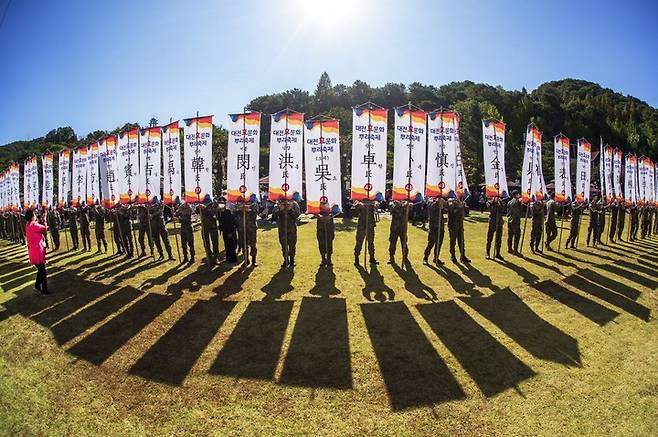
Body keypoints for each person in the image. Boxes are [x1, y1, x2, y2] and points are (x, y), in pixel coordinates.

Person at [25, 209, 49, 294]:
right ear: (32, 216)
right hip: (37, 251)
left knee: (40, 270)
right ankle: (44, 289)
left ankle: (37, 285)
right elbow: (44, 228)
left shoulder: (28, 225)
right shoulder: (34, 225)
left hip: (32, 251)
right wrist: (45, 220)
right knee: (42, 271)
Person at [272, 199, 301, 268]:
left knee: (292, 245)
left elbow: (297, 215)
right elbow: (274, 216)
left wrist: (290, 209)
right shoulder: (278, 203)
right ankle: (285, 260)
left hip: (292, 229)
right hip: (282, 229)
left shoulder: (294, 203)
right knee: (284, 246)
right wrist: (280, 209)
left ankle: (292, 260)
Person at [148, 197, 175, 261]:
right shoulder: (149, 203)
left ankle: (170, 255)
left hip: (161, 224)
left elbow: (160, 211)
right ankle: (161, 255)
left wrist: (152, 215)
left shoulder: (160, 203)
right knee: (157, 240)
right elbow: (148, 210)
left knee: (166, 240)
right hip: (153, 224)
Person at [353, 199, 378, 265]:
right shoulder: (360, 199)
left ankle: (372, 258)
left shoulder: (372, 200)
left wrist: (374, 204)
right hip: (362, 225)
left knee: (371, 242)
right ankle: (356, 258)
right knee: (359, 242)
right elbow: (355, 206)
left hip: (370, 225)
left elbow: (377, 205)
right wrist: (360, 204)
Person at [423, 196, 446, 265]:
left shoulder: (441, 207)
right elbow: (431, 208)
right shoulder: (433, 205)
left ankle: (436, 258)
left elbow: (445, 210)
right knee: (430, 244)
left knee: (438, 245)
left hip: (440, 228)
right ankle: (425, 258)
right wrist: (438, 204)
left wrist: (442, 206)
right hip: (433, 229)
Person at [197, 195, 219, 264]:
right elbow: (196, 211)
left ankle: (215, 257)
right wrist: (199, 207)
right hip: (204, 227)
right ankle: (209, 257)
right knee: (206, 243)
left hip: (213, 227)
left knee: (215, 243)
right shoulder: (201, 205)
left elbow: (214, 213)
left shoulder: (214, 205)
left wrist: (205, 208)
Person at [236, 200, 258, 266]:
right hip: (242, 230)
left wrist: (248, 209)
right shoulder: (239, 212)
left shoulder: (252, 209)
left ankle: (254, 261)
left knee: (253, 245)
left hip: (251, 230)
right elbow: (236, 217)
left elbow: (255, 214)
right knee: (244, 246)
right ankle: (246, 260)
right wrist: (241, 210)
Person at [447, 197, 470, 263]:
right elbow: (452, 212)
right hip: (453, 226)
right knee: (453, 241)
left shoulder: (461, 202)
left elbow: (465, 214)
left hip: (460, 225)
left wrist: (463, 207)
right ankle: (453, 256)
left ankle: (462, 255)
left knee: (461, 241)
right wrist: (458, 207)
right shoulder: (451, 202)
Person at [388, 199, 410, 264]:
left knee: (404, 244)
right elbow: (391, 210)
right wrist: (399, 205)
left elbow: (409, 208)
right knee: (392, 243)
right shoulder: (393, 204)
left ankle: (405, 257)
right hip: (394, 228)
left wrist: (405, 205)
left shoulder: (405, 204)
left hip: (403, 228)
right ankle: (391, 257)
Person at [316, 199, 335, 267]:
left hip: (329, 231)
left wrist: (328, 217)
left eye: (325, 204)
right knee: (322, 245)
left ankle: (329, 259)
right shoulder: (318, 211)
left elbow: (334, 213)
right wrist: (320, 217)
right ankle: (323, 259)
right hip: (321, 231)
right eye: (322, 204)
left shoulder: (330, 212)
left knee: (329, 245)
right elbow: (315, 213)